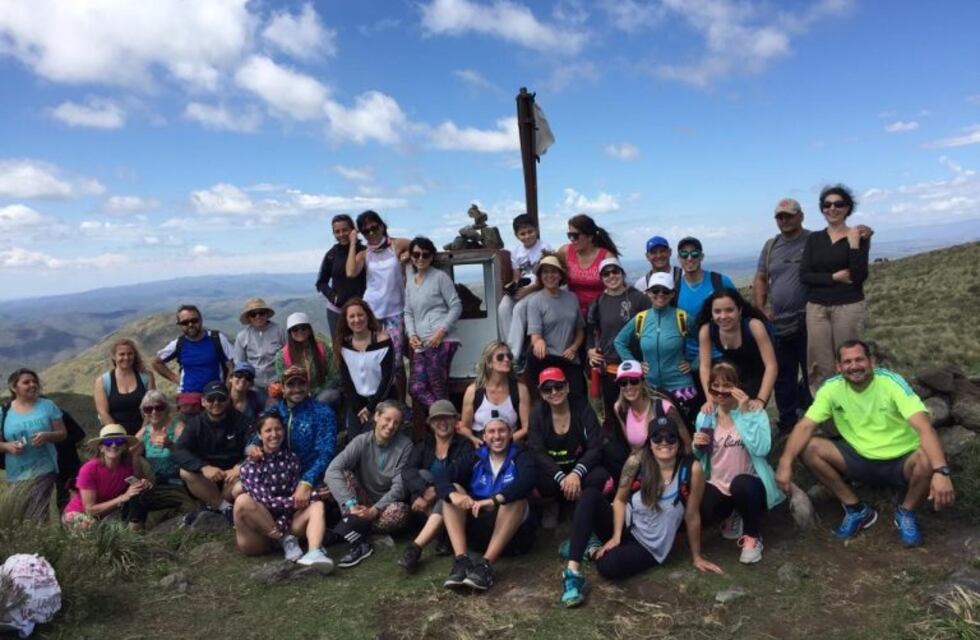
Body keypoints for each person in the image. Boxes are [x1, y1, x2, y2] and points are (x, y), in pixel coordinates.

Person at [776, 340, 955, 547]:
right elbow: (805, 425)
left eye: (859, 359)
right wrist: (785, 462)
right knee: (809, 448)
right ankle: (856, 509)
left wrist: (942, 472)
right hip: (859, 458)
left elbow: (924, 427)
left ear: (871, 361)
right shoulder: (832, 388)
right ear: (839, 367)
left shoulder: (891, 383)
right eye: (847, 362)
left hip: (902, 460)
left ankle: (906, 512)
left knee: (926, 459)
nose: (854, 366)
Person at [559, 415, 722, 608]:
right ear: (649, 443)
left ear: (678, 442)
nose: (664, 443)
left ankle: (591, 548)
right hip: (625, 523)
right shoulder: (636, 462)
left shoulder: (691, 469)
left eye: (670, 437)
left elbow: (692, 515)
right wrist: (617, 536)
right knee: (589, 496)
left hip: (648, 546)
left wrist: (697, 556)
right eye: (657, 438)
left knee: (608, 566)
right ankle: (573, 573)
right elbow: (619, 500)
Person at [692, 362, 784, 564]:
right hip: (718, 483)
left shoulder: (754, 412)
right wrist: (696, 446)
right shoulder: (705, 416)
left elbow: (761, 449)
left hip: (750, 483)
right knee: (703, 509)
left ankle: (753, 535)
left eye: (727, 385)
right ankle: (733, 514)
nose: (720, 391)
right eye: (715, 385)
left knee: (741, 484)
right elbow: (701, 456)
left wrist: (745, 415)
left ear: (737, 387)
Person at [438, 417, 538, 592]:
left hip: (514, 537)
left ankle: (485, 566)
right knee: (452, 490)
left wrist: (494, 499)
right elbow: (442, 478)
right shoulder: (475, 457)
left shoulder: (522, 454)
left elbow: (527, 481)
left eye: (502, 431)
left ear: (510, 435)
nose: (497, 436)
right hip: (479, 529)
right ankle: (462, 561)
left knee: (514, 497)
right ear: (484, 436)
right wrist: (454, 495)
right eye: (491, 431)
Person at [235, 413, 333, 573]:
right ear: (259, 435)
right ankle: (284, 540)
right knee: (242, 500)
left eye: (278, 429)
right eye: (268, 430)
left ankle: (314, 552)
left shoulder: (291, 459)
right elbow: (267, 501)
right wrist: (311, 496)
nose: (274, 434)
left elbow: (296, 495)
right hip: (261, 532)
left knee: (317, 505)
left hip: (288, 523)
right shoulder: (249, 466)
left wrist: (315, 495)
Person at [324, 400, 412, 568]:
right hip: (358, 503)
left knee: (401, 512)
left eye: (396, 422)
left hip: (384, 506)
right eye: (387, 419)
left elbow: (400, 486)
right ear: (376, 417)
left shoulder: (405, 445)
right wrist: (351, 505)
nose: (391, 425)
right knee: (343, 474)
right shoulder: (361, 441)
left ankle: (351, 531)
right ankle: (358, 536)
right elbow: (332, 470)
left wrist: (375, 510)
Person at [800, 184, 871, 391]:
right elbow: (804, 275)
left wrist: (855, 245)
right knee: (819, 362)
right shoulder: (814, 239)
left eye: (838, 204)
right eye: (827, 204)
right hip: (816, 307)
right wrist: (834, 277)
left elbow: (859, 276)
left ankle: (857, 402)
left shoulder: (858, 235)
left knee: (851, 359)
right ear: (822, 209)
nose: (832, 208)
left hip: (848, 306)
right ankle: (826, 411)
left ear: (848, 208)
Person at [753, 198, 814, 433]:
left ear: (801, 216)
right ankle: (788, 421)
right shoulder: (771, 246)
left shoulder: (813, 240)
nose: (784, 220)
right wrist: (761, 307)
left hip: (810, 319)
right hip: (779, 322)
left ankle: (815, 419)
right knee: (783, 374)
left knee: (813, 371)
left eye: (789, 215)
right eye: (780, 217)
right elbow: (760, 277)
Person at [614, 272, 698, 423]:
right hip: (650, 388)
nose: (660, 294)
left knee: (685, 430)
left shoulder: (683, 318)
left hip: (681, 387)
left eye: (665, 291)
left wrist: (694, 365)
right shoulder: (641, 319)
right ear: (648, 293)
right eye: (655, 290)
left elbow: (705, 341)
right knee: (657, 433)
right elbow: (619, 341)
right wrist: (636, 366)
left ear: (672, 294)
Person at [398, 400, 471, 573]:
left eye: (447, 418)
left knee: (450, 489)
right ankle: (442, 535)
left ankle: (415, 547)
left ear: (456, 420)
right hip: (426, 505)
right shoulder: (424, 445)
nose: (442, 423)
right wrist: (422, 491)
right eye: (437, 419)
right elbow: (407, 471)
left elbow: (459, 474)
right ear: (430, 423)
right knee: (422, 474)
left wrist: (435, 491)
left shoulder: (465, 445)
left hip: (456, 502)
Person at [345, 210, 411, 400]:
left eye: (374, 227)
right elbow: (350, 271)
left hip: (395, 311)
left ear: (382, 226)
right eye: (366, 231)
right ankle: (380, 401)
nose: (371, 233)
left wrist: (407, 255)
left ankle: (400, 403)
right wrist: (352, 241)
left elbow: (420, 246)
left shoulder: (396, 245)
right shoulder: (365, 254)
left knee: (396, 362)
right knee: (375, 360)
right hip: (371, 312)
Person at [249, 366, 337, 504]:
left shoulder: (323, 412)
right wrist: (253, 448)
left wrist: (307, 481)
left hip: (312, 476)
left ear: (308, 386)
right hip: (278, 473)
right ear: (282, 388)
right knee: (239, 489)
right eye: (290, 384)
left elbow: (326, 452)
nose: (296, 389)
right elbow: (255, 439)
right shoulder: (274, 411)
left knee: (319, 501)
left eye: (301, 383)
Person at [528, 368, 608, 514]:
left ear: (567, 387)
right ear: (542, 394)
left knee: (599, 477)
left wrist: (576, 473)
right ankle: (553, 505)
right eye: (547, 389)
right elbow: (536, 450)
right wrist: (561, 478)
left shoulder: (583, 407)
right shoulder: (537, 414)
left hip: (579, 466)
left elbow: (595, 446)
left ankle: (584, 506)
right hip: (553, 471)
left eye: (558, 386)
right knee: (535, 479)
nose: (554, 392)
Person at [586, 257, 650, 431]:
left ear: (622, 273)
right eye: (606, 273)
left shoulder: (640, 299)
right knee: (614, 416)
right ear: (601, 278)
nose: (611, 276)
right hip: (611, 369)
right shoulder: (598, 302)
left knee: (642, 414)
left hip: (637, 368)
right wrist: (590, 350)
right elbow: (589, 330)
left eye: (615, 271)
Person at [173, 380, 251, 524]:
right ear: (203, 401)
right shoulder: (195, 424)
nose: (216, 403)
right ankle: (225, 508)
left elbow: (254, 448)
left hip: (232, 476)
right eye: (211, 399)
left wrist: (239, 466)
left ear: (228, 400)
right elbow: (179, 451)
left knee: (247, 476)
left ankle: (212, 506)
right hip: (207, 477)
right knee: (184, 472)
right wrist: (203, 467)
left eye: (221, 398)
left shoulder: (242, 421)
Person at [603, 361, 690, 481]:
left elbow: (687, 444)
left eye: (634, 381)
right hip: (644, 470)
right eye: (623, 383)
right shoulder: (620, 409)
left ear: (642, 381)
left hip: (670, 467)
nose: (629, 387)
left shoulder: (665, 407)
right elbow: (633, 448)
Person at [404, 236, 463, 415]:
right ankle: (447, 416)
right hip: (422, 344)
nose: (420, 258)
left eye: (425, 255)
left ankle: (445, 422)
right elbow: (408, 312)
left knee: (438, 385)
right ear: (411, 256)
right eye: (416, 254)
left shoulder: (440, 277)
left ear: (431, 257)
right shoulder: (410, 282)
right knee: (416, 387)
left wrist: (441, 332)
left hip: (442, 340)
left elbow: (456, 305)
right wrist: (411, 334)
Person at [696, 288, 777, 413]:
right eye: (717, 311)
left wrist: (761, 399)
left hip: (757, 374)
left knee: (750, 414)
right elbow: (704, 367)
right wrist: (710, 398)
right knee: (726, 414)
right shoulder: (706, 330)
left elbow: (771, 366)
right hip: (732, 374)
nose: (723, 316)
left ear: (739, 310)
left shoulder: (754, 326)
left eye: (729, 310)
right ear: (711, 313)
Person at [0, 369, 67, 520]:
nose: (32, 385)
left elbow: (62, 433)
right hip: (16, 473)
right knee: (19, 516)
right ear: (14, 387)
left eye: (34, 381)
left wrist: (47, 436)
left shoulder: (48, 406)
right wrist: (8, 447)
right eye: (26, 382)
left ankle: (42, 541)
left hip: (45, 468)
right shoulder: (3, 412)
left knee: (38, 514)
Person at [61, 424, 149, 530]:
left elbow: (136, 485)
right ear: (101, 448)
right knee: (91, 525)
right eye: (108, 442)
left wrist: (144, 484)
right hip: (79, 513)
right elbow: (89, 509)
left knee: (122, 530)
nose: (113, 445)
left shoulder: (128, 468)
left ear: (125, 447)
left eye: (119, 442)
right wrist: (123, 497)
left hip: (107, 514)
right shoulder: (89, 469)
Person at [153, 304, 235, 416]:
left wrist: (226, 392)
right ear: (180, 325)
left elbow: (232, 366)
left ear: (201, 320)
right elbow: (156, 362)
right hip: (189, 401)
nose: (190, 324)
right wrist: (176, 379)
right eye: (185, 323)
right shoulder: (179, 344)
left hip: (215, 397)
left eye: (194, 320)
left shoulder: (217, 338)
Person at [524, 255, 586, 398]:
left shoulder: (572, 298)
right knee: (549, 398)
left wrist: (574, 348)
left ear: (560, 275)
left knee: (578, 397)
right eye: (545, 272)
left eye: (553, 272)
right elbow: (535, 336)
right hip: (548, 357)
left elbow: (579, 330)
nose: (549, 276)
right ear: (540, 276)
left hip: (569, 357)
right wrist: (539, 341)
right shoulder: (535, 301)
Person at [130, 391, 193, 529]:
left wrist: (170, 445)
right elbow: (128, 453)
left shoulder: (177, 427)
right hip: (151, 484)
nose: (154, 412)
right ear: (143, 412)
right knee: (135, 458)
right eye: (148, 409)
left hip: (175, 483)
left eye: (159, 407)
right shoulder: (145, 432)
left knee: (188, 510)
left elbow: (190, 455)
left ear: (167, 408)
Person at [672, 237, 736, 370]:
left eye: (694, 254)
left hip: (721, 355)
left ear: (701, 256)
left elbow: (740, 313)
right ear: (679, 258)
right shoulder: (675, 289)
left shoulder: (720, 281)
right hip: (689, 360)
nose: (689, 258)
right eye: (684, 254)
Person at [335, 298, 395, 438]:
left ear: (368, 315)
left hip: (382, 400)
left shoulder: (383, 341)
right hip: (357, 403)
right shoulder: (344, 345)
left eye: (360, 315)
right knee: (355, 443)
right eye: (352, 316)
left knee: (372, 439)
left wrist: (371, 408)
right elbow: (346, 381)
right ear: (346, 320)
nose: (357, 319)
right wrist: (359, 407)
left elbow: (387, 379)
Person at [459, 341, 531, 447]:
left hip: (510, 444)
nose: (506, 360)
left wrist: (505, 441)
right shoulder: (473, 391)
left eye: (509, 356)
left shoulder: (520, 389)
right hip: (480, 445)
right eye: (500, 357)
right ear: (489, 363)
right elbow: (465, 427)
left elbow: (527, 427)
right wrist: (473, 439)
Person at [499, 213, 553, 349]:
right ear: (517, 236)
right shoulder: (516, 252)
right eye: (523, 234)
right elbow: (517, 276)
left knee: (518, 308)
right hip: (524, 287)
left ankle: (514, 354)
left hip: (539, 288)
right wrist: (513, 286)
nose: (527, 236)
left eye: (530, 231)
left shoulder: (545, 248)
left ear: (536, 230)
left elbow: (548, 277)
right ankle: (508, 347)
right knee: (503, 307)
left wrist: (528, 290)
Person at [556, 214, 621, 316]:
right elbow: (549, 271)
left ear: (590, 237)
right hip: (573, 312)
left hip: (600, 312)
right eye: (570, 235)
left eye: (576, 236)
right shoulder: (565, 251)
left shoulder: (606, 257)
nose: (572, 239)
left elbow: (617, 284)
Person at [316, 214, 367, 338]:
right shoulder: (332, 254)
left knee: (363, 345)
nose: (341, 234)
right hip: (337, 311)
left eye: (345, 230)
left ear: (353, 230)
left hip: (361, 311)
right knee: (340, 348)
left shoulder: (365, 251)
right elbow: (321, 282)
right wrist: (333, 297)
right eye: (337, 232)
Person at [94, 338, 156, 435]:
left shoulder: (146, 377)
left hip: (146, 432)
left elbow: (152, 407)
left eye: (130, 354)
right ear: (114, 357)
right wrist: (120, 436)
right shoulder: (102, 382)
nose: (126, 358)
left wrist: (141, 434)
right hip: (116, 436)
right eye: (122, 354)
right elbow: (103, 412)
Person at [275, 312, 339, 404]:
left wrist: (319, 390)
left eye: (303, 328)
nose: (300, 332)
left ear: (309, 330)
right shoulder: (281, 355)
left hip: (320, 393)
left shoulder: (322, 348)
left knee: (331, 395)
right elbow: (281, 382)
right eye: (295, 330)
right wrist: (286, 375)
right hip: (295, 394)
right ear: (290, 333)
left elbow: (335, 375)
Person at [234, 298, 286, 402]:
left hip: (277, 383)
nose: (258, 316)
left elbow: (288, 356)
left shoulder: (279, 331)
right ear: (249, 317)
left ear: (266, 314)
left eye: (261, 313)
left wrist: (282, 380)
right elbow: (240, 363)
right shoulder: (242, 336)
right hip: (254, 385)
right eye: (253, 314)